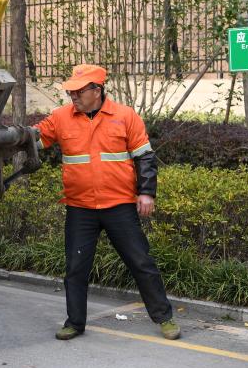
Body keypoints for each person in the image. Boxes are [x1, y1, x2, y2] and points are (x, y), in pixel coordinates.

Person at [36, 64, 180, 341]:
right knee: (76, 269)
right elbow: (33, 138)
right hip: (80, 208)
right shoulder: (60, 118)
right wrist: (2, 140)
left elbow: (145, 157)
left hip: (119, 206)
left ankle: (165, 318)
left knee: (141, 262)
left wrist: (146, 192)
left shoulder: (125, 116)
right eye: (71, 92)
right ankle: (74, 323)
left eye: (78, 91)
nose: (73, 97)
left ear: (97, 90)